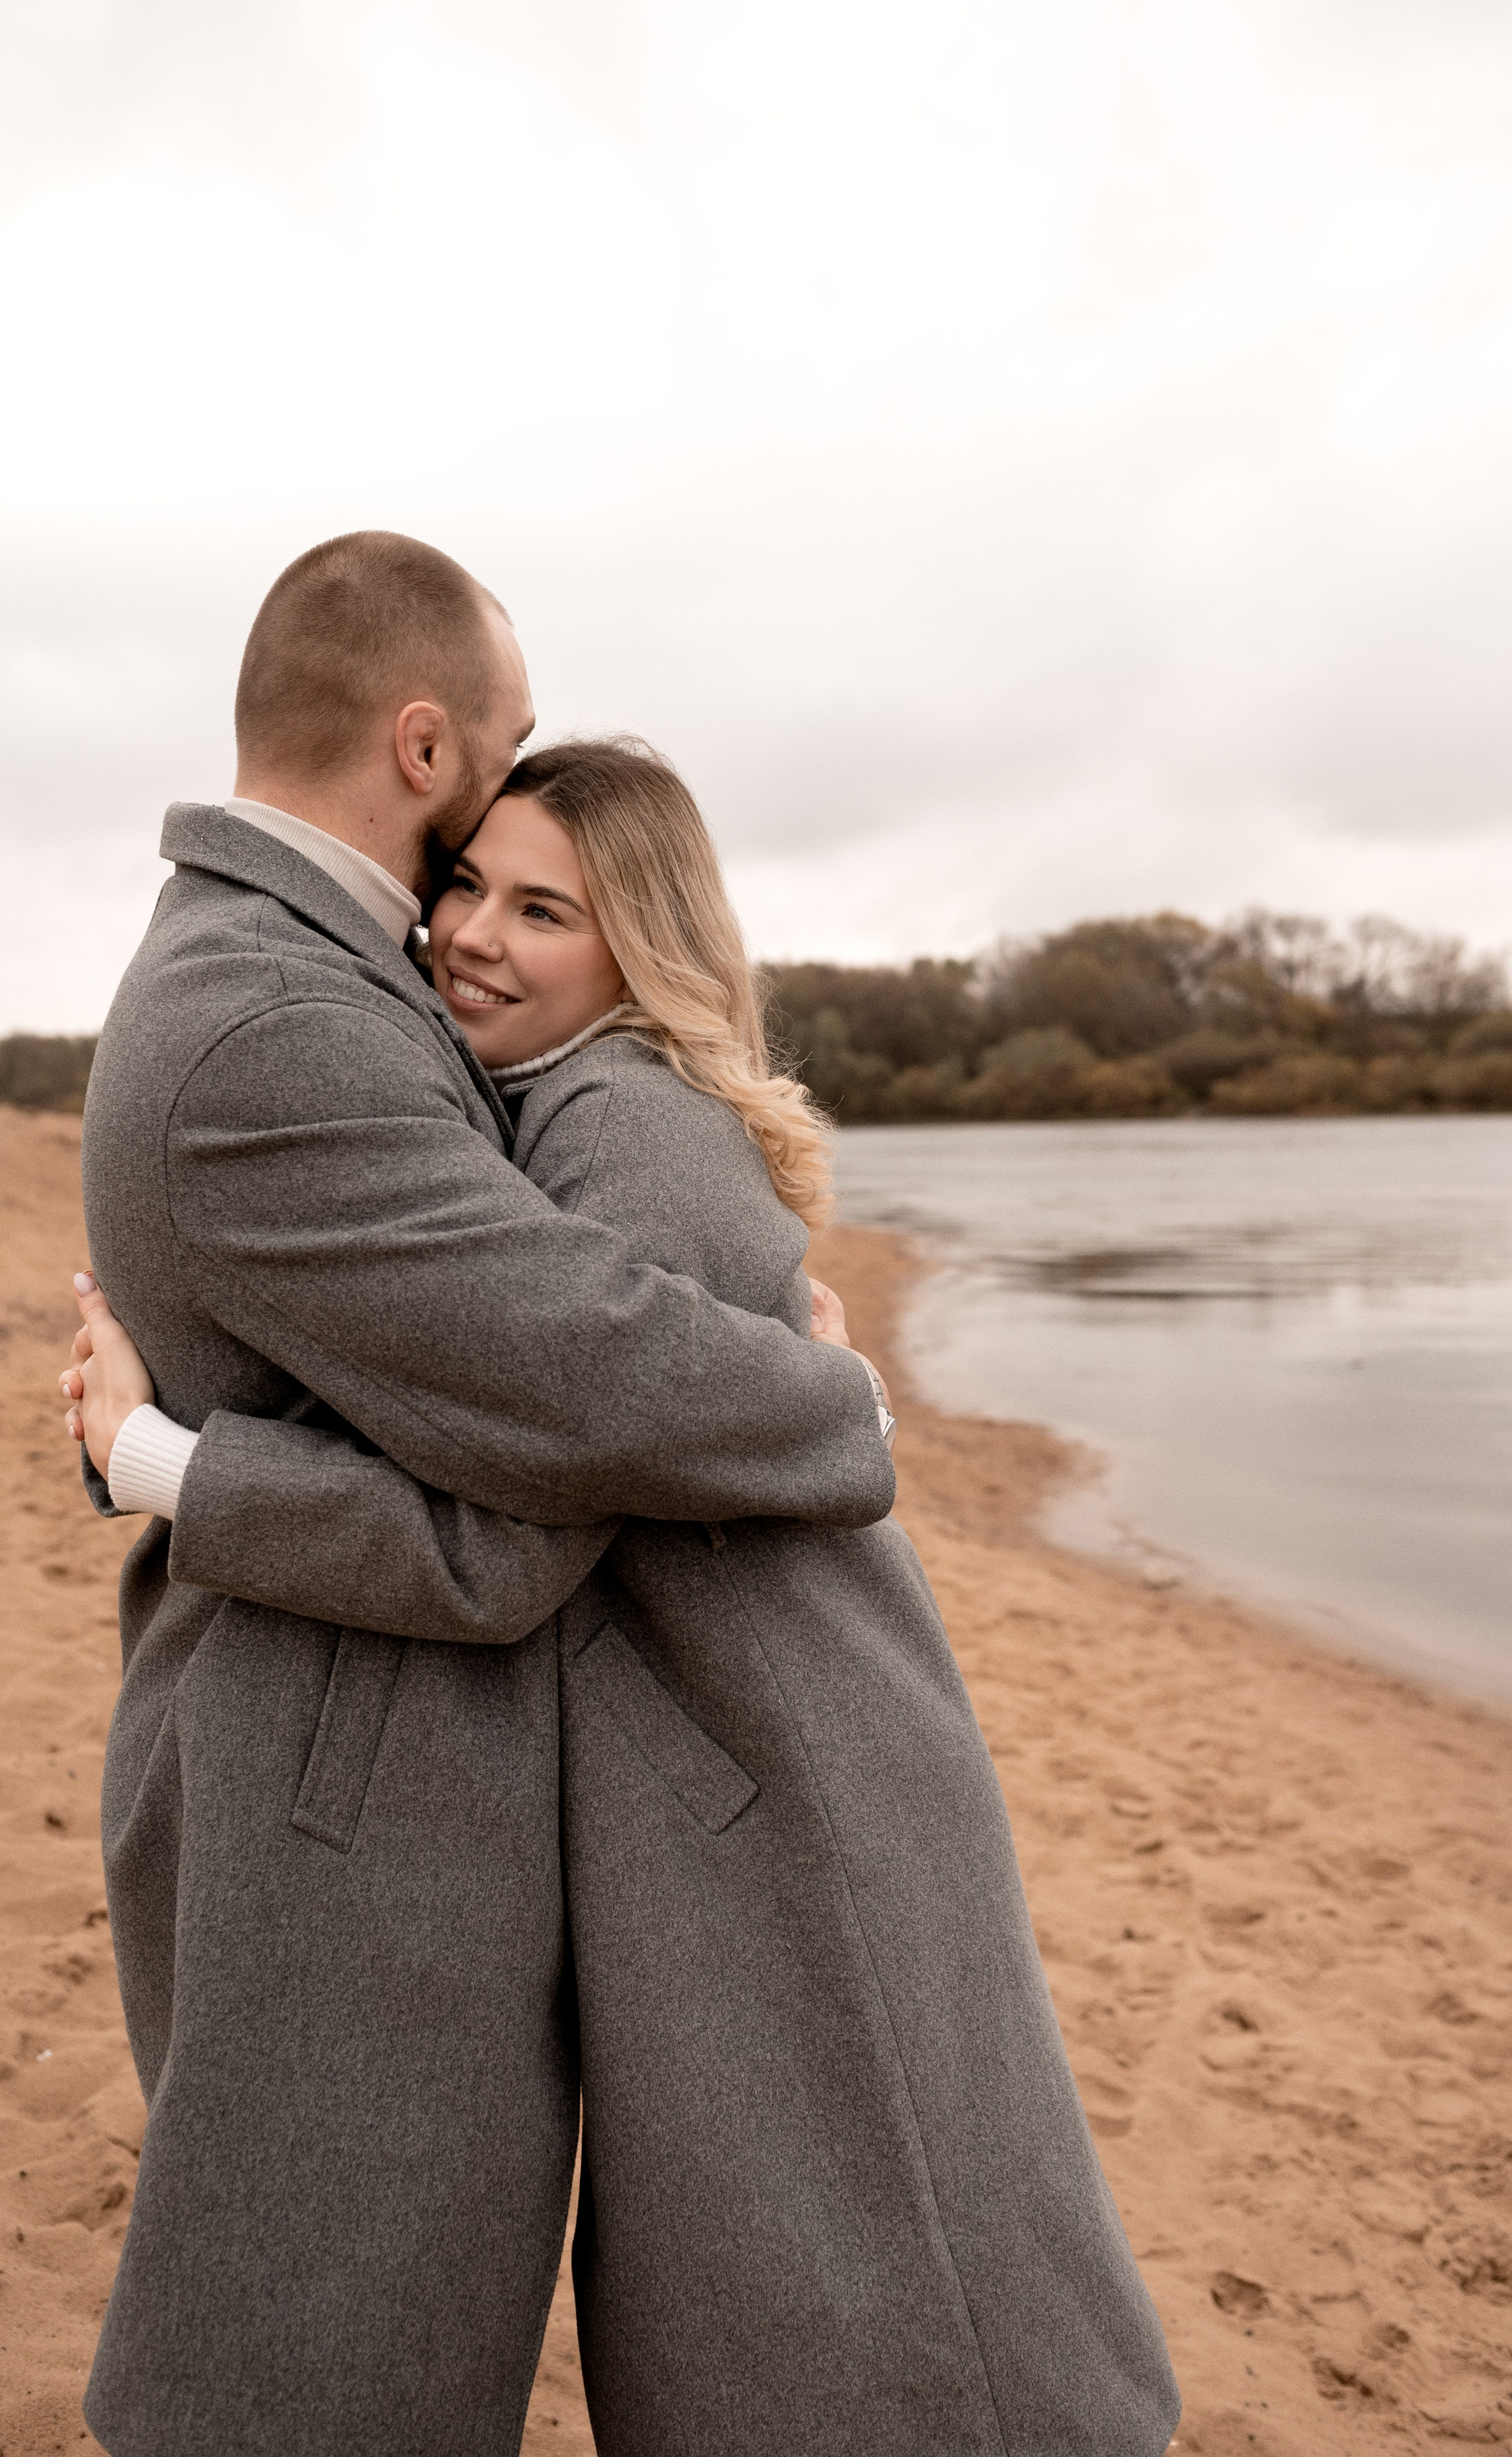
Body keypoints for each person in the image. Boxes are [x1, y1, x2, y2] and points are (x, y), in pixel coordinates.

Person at [66, 735, 1181, 2455]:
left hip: (794, 1771)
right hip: (735, 1757)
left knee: (891, 2311)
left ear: (643, 949)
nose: (473, 936)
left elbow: (504, 1544)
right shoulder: (542, 1115)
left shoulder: (631, 1131)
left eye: (546, 912)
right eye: (467, 885)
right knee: (805, 2298)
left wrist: (160, 1460)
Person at [67, 535, 902, 2457]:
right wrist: (835, 1404)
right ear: (426, 744)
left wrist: (157, 1451)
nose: (484, 896)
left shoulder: (300, 970)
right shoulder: (279, 1018)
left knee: (353, 2343)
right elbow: (582, 1372)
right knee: (311, 2371)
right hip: (333, 1784)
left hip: (350, 1751)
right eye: (509, 749)